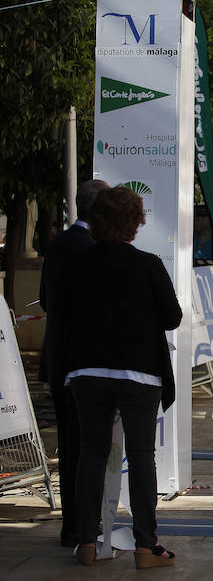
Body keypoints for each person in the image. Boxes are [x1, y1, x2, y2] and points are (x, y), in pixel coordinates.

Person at [59, 186, 182, 567]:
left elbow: (63, 314)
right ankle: (146, 545)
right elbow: (172, 317)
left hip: (87, 370)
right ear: (134, 224)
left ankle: (86, 543)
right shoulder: (147, 264)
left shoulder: (77, 265)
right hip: (138, 372)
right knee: (142, 455)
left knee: (91, 453)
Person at [38, 178, 109, 548]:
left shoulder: (60, 244)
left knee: (72, 446)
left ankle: (74, 525)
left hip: (59, 360)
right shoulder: (90, 249)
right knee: (87, 447)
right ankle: (85, 524)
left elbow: (45, 299)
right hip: (84, 365)